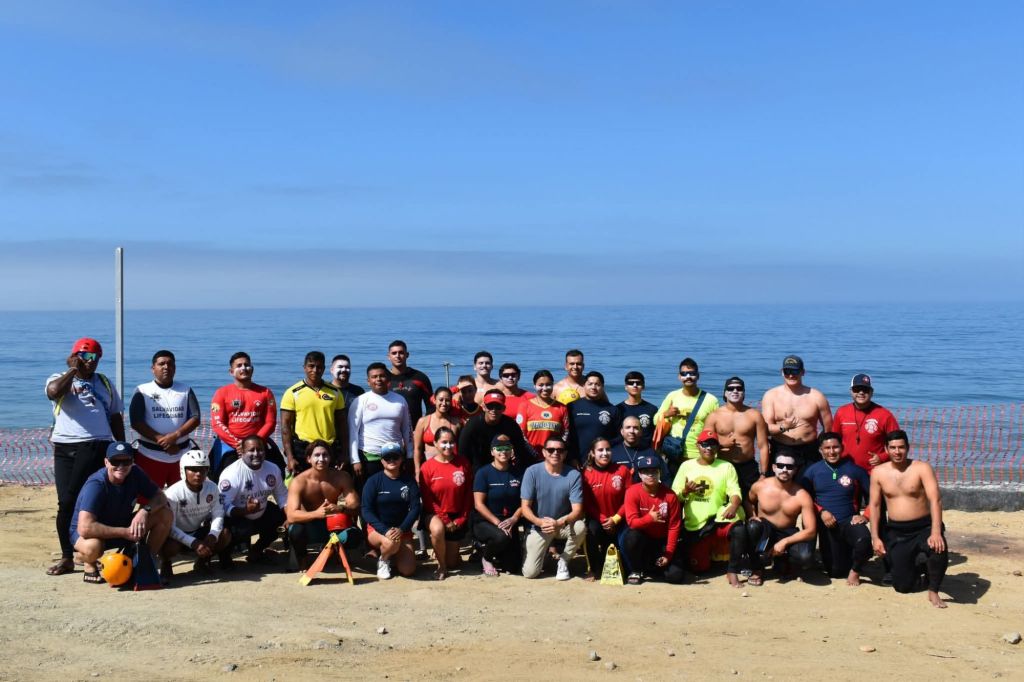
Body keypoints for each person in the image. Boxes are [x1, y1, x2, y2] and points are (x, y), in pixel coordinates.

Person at [45, 337, 126, 576]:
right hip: (66, 448)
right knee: (66, 502)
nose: (91, 361)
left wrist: (122, 447)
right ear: (74, 357)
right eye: (86, 356)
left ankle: (92, 550)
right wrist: (73, 370)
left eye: (96, 357)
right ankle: (67, 556)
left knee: (95, 499)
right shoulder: (59, 378)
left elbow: (115, 416)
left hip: (99, 446)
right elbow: (53, 393)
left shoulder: (104, 383)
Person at [70, 441, 173, 584]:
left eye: (126, 461)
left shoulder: (135, 473)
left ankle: (144, 563)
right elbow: (85, 528)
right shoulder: (96, 484)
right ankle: (87, 561)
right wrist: (125, 532)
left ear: (133, 462)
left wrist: (144, 511)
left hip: (122, 524)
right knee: (93, 548)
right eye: (115, 461)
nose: (121, 466)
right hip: (90, 534)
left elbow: (161, 497)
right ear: (106, 462)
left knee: (165, 514)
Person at [869, 430, 949, 608]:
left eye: (901, 447)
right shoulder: (878, 472)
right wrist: (875, 537)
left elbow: (935, 500)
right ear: (886, 449)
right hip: (897, 531)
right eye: (893, 448)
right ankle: (920, 565)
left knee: (938, 548)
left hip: (924, 526)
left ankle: (933, 590)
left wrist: (936, 532)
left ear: (908, 448)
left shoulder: (922, 468)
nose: (897, 452)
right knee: (902, 587)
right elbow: (874, 506)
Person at [673, 430, 746, 586]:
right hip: (696, 526)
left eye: (713, 444)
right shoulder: (686, 466)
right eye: (704, 444)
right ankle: (709, 556)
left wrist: (734, 505)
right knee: (699, 569)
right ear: (697, 446)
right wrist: (686, 491)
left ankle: (732, 570)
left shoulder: (726, 466)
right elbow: (674, 497)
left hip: (718, 520)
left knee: (739, 529)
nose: (709, 448)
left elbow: (735, 491)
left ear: (717, 447)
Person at [800, 432, 871, 585]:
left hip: (849, 521)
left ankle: (855, 570)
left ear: (842, 448)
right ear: (820, 450)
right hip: (826, 524)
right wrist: (821, 511)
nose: (832, 452)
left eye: (835, 447)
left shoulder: (856, 470)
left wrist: (865, 516)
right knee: (836, 572)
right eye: (827, 448)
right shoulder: (812, 471)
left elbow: (874, 499)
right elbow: (804, 499)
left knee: (864, 540)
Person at [285, 440, 362, 570]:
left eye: (325, 455)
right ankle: (303, 559)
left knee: (355, 536)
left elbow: (356, 506)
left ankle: (333, 551)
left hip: (333, 524)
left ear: (330, 458)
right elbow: (291, 515)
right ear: (308, 459)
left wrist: (340, 508)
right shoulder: (299, 481)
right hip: (310, 526)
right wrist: (316, 513)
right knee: (295, 531)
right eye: (317, 455)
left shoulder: (342, 477)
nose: (321, 459)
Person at [129, 350, 201, 489]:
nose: (166, 367)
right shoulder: (142, 390)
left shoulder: (186, 390)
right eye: (161, 364)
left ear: (175, 368)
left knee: (182, 498)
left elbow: (195, 417)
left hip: (182, 455)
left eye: (170, 364)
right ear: (153, 368)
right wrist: (163, 441)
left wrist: (175, 436)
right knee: (148, 498)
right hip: (150, 455)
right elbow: (136, 422)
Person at [519, 436, 587, 580]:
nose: (555, 453)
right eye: (551, 450)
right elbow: (525, 508)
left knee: (580, 527)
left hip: (562, 524)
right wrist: (540, 522)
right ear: (544, 452)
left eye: (560, 450)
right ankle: (537, 551)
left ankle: (564, 560)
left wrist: (559, 523)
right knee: (530, 573)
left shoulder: (573, 475)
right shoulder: (531, 472)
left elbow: (577, 510)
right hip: (539, 526)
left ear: (565, 454)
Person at [746, 451, 817, 585]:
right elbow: (748, 501)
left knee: (805, 556)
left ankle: (784, 562)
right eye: (780, 465)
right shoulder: (760, 486)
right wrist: (753, 515)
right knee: (753, 526)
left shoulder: (802, 495)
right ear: (773, 467)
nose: (784, 470)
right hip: (765, 531)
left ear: (795, 470)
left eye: (789, 467)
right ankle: (757, 568)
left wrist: (785, 542)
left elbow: (811, 531)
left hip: (787, 532)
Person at [160, 448, 231, 582]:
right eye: (193, 469)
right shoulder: (172, 493)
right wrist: (192, 542)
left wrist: (213, 534)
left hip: (197, 530)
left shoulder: (212, 488)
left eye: (203, 469)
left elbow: (218, 513)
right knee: (171, 547)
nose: (198, 474)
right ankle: (166, 562)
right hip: (175, 534)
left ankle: (201, 562)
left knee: (224, 534)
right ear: (183, 470)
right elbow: (170, 527)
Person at [209, 352, 283, 479]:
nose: (243, 368)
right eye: (239, 366)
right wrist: (238, 444)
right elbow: (217, 423)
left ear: (252, 369)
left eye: (247, 365)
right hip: (231, 445)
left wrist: (254, 443)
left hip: (258, 443)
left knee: (277, 473)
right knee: (222, 478)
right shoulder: (221, 393)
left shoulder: (265, 392)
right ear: (231, 371)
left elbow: (270, 423)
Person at [217, 435, 288, 567]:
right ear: (242, 452)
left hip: (261, 511)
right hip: (237, 516)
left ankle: (256, 551)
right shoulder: (231, 474)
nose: (256, 454)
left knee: (280, 518)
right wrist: (245, 510)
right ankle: (225, 556)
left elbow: (282, 496)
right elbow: (222, 506)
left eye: (260, 450)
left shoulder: (273, 468)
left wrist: (289, 516)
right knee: (235, 530)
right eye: (251, 450)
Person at [704, 377, 769, 515]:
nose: (735, 391)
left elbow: (763, 446)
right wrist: (721, 444)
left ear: (744, 393)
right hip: (722, 466)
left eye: (739, 388)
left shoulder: (754, 415)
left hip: (748, 467)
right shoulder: (714, 416)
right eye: (731, 388)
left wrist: (763, 474)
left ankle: (752, 525)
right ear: (725, 393)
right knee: (723, 501)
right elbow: (704, 445)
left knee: (751, 503)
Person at [361, 442, 422, 579]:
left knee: (408, 570)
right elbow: (366, 510)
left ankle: (392, 554)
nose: (391, 460)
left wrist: (402, 529)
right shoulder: (373, 481)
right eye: (387, 457)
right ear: (382, 461)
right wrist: (385, 530)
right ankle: (384, 559)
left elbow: (415, 507)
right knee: (391, 542)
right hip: (378, 530)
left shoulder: (409, 481)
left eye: (395, 457)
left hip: (402, 530)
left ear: (401, 459)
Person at [281, 351, 347, 475]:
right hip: (303, 448)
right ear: (304, 368)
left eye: (319, 367)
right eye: (311, 366)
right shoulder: (292, 392)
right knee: (304, 484)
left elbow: (342, 424)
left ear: (324, 368)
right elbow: (285, 427)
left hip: (329, 447)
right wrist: (290, 457)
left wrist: (344, 453)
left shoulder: (335, 392)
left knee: (328, 485)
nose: (315, 370)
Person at [419, 427, 472, 580]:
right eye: (444, 442)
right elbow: (428, 500)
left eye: (451, 442)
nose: (448, 446)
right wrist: (445, 520)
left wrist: (461, 519)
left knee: (453, 563)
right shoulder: (427, 467)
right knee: (437, 530)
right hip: (435, 513)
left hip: (457, 515)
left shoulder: (463, 463)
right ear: (435, 443)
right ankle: (441, 567)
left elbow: (469, 494)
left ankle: (443, 552)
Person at [621, 455, 684, 585]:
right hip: (643, 538)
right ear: (639, 474)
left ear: (660, 473)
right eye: (646, 472)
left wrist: (668, 555)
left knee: (675, 576)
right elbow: (632, 523)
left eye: (654, 471)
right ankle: (636, 570)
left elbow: (674, 527)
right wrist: (650, 518)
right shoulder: (632, 492)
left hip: (662, 540)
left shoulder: (670, 495)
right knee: (631, 537)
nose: (650, 475)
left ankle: (656, 566)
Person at [761, 355, 832, 468]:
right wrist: (783, 427)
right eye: (787, 371)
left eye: (795, 371)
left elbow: (828, 428)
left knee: (809, 479)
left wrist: (821, 447)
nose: (791, 375)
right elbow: (765, 429)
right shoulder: (771, 396)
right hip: (780, 449)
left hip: (809, 451)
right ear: (782, 372)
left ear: (802, 372)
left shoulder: (816, 396)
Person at [348, 362, 413, 483]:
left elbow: (407, 430)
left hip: (395, 456)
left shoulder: (400, 400)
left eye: (382, 376)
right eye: (374, 377)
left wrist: (410, 455)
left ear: (388, 378)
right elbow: (353, 432)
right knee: (368, 492)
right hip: (369, 457)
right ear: (368, 381)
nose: (378, 379)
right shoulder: (360, 401)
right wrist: (355, 460)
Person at [654, 358, 719, 473]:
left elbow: (717, 429)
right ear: (679, 377)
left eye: (692, 373)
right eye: (684, 374)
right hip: (675, 452)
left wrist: (716, 454)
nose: (688, 377)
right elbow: (655, 420)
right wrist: (666, 414)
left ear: (698, 376)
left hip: (700, 453)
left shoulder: (711, 400)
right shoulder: (672, 396)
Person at [472, 434, 524, 576]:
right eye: (499, 448)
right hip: (486, 521)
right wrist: (498, 523)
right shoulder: (483, 473)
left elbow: (525, 502)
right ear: (492, 452)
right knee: (501, 537)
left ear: (512, 450)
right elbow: (478, 504)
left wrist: (514, 518)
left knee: (512, 567)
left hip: (510, 522)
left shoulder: (519, 473)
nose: (503, 451)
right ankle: (486, 557)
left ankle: (498, 553)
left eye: (507, 448)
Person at [581, 437, 630, 581]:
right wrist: (603, 520)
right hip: (598, 520)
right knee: (590, 531)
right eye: (600, 450)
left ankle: (632, 568)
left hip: (620, 520)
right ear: (592, 453)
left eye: (608, 449)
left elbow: (629, 500)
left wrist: (615, 519)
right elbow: (587, 503)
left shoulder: (622, 470)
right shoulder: (586, 473)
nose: (605, 453)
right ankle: (592, 569)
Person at [832, 374, 901, 473]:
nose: (861, 392)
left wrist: (882, 457)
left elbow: (898, 442)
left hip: (874, 471)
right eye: (857, 389)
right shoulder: (841, 412)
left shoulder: (885, 415)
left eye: (865, 389)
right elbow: (833, 440)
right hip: (846, 469)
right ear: (851, 391)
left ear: (872, 392)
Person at [458, 389, 533, 471]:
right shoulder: (472, 426)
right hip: (478, 468)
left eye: (498, 407)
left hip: (504, 467)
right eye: (490, 406)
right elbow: (462, 452)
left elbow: (521, 450)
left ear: (503, 408)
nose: (494, 410)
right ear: (484, 407)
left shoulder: (511, 425)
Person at [567, 372, 622, 466]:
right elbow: (567, 435)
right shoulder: (572, 407)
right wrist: (572, 458)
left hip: (603, 461)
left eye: (597, 384)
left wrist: (605, 447)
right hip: (577, 461)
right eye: (590, 384)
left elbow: (619, 437)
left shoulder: (612, 410)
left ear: (602, 387)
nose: (593, 387)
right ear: (584, 385)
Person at [516, 370, 570, 461]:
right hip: (530, 456)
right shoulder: (525, 406)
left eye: (548, 384)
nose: (544, 388)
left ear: (553, 385)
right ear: (534, 386)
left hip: (554, 456)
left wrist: (557, 450)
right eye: (540, 385)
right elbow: (521, 433)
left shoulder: (562, 407)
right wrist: (532, 452)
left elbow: (566, 432)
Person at [412, 386, 462, 481]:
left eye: (447, 400)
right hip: (429, 469)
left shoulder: (456, 423)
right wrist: (417, 470)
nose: (444, 403)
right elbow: (417, 449)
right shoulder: (423, 422)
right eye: (441, 400)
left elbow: (461, 448)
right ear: (434, 400)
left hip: (450, 467)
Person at [387, 340, 434, 424]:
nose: (397, 356)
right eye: (394, 353)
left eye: (401, 353)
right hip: (390, 429)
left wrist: (423, 426)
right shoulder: (384, 379)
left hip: (415, 429)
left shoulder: (420, 377)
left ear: (407, 355)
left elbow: (431, 406)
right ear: (389, 356)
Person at [611, 416, 668, 483]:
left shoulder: (651, 453)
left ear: (641, 432)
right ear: (622, 431)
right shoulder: (612, 453)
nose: (632, 431)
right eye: (628, 427)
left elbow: (666, 477)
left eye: (635, 428)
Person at [617, 371, 658, 449]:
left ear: (643, 386)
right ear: (626, 387)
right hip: (624, 451)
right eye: (631, 383)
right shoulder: (618, 409)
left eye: (638, 383)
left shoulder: (652, 409)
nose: (635, 385)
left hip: (646, 451)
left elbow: (656, 434)